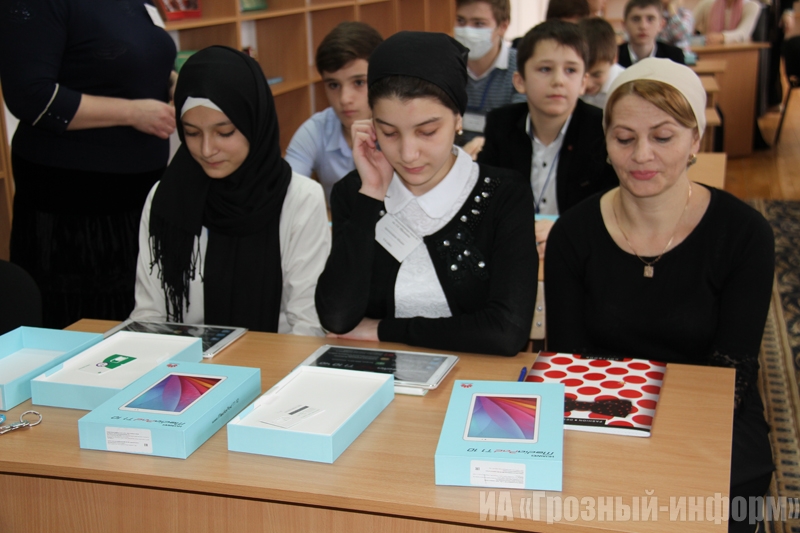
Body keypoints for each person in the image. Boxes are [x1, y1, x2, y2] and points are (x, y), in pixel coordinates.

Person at [545, 57, 774, 533]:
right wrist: (618, 428)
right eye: (624, 138)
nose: (641, 155)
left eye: (663, 137)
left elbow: (731, 375)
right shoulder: (574, 233)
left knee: (723, 497)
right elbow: (569, 360)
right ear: (607, 143)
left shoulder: (744, 233)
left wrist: (657, 449)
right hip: (602, 408)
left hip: (709, 410)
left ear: (696, 141)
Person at [315, 32, 537, 357]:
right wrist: (371, 194)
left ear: (458, 118)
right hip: (381, 377)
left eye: (427, 132)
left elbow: (506, 332)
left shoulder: (503, 194)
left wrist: (382, 330)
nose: (408, 154)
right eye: (389, 133)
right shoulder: (355, 192)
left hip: (473, 375)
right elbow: (337, 317)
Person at [0, 0, 177, 329]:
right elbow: (30, 95)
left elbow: (118, 60)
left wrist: (174, 81)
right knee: (84, 330)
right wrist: (132, 113)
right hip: (73, 210)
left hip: (138, 197)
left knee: (140, 322)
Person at [131, 46, 331, 336]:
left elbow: (308, 326)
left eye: (224, 133)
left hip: (276, 358)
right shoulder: (166, 198)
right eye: (192, 133)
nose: (207, 149)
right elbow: (149, 315)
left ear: (254, 123)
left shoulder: (300, 199)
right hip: (185, 358)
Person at [479, 20, 617, 257]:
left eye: (570, 70)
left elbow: (612, 204)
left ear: (583, 83)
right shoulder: (501, 124)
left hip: (581, 250)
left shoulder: (602, 130)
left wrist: (563, 229)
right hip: (515, 247)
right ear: (520, 81)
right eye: (545, 69)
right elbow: (485, 197)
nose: (558, 81)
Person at [284, 22, 383, 204]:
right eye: (334, 85)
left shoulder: (402, 130)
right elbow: (285, 194)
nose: (344, 99)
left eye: (359, 82)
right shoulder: (315, 130)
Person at [453, 0, 527, 146]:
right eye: (461, 21)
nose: (467, 31)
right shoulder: (447, 65)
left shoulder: (521, 67)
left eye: (479, 24)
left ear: (503, 26)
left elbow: (518, 129)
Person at [618, 0, 686, 67]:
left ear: (661, 24)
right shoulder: (614, 55)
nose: (643, 26)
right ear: (624, 25)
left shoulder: (674, 57)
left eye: (650, 19)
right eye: (636, 19)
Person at [579, 17, 626, 109]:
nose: (588, 84)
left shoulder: (627, 88)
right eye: (582, 75)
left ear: (614, 58)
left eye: (596, 75)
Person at [694, 0, 762, 44]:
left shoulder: (751, 6)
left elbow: (743, 33)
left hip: (738, 53)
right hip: (709, 49)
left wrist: (722, 37)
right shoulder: (707, 3)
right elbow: (690, 22)